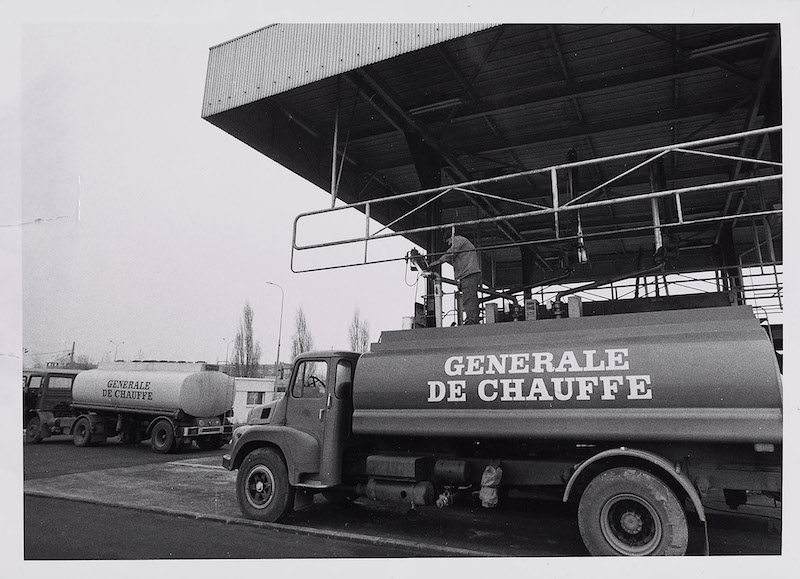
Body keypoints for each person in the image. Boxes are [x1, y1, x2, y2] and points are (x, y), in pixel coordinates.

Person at [428, 230, 482, 325]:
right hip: (468, 274)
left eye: (448, 242)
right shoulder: (463, 242)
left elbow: (451, 252)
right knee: (471, 297)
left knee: (468, 298)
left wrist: (438, 261)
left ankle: (471, 321)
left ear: (450, 238)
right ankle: (474, 318)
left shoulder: (458, 240)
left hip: (468, 274)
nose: (449, 244)